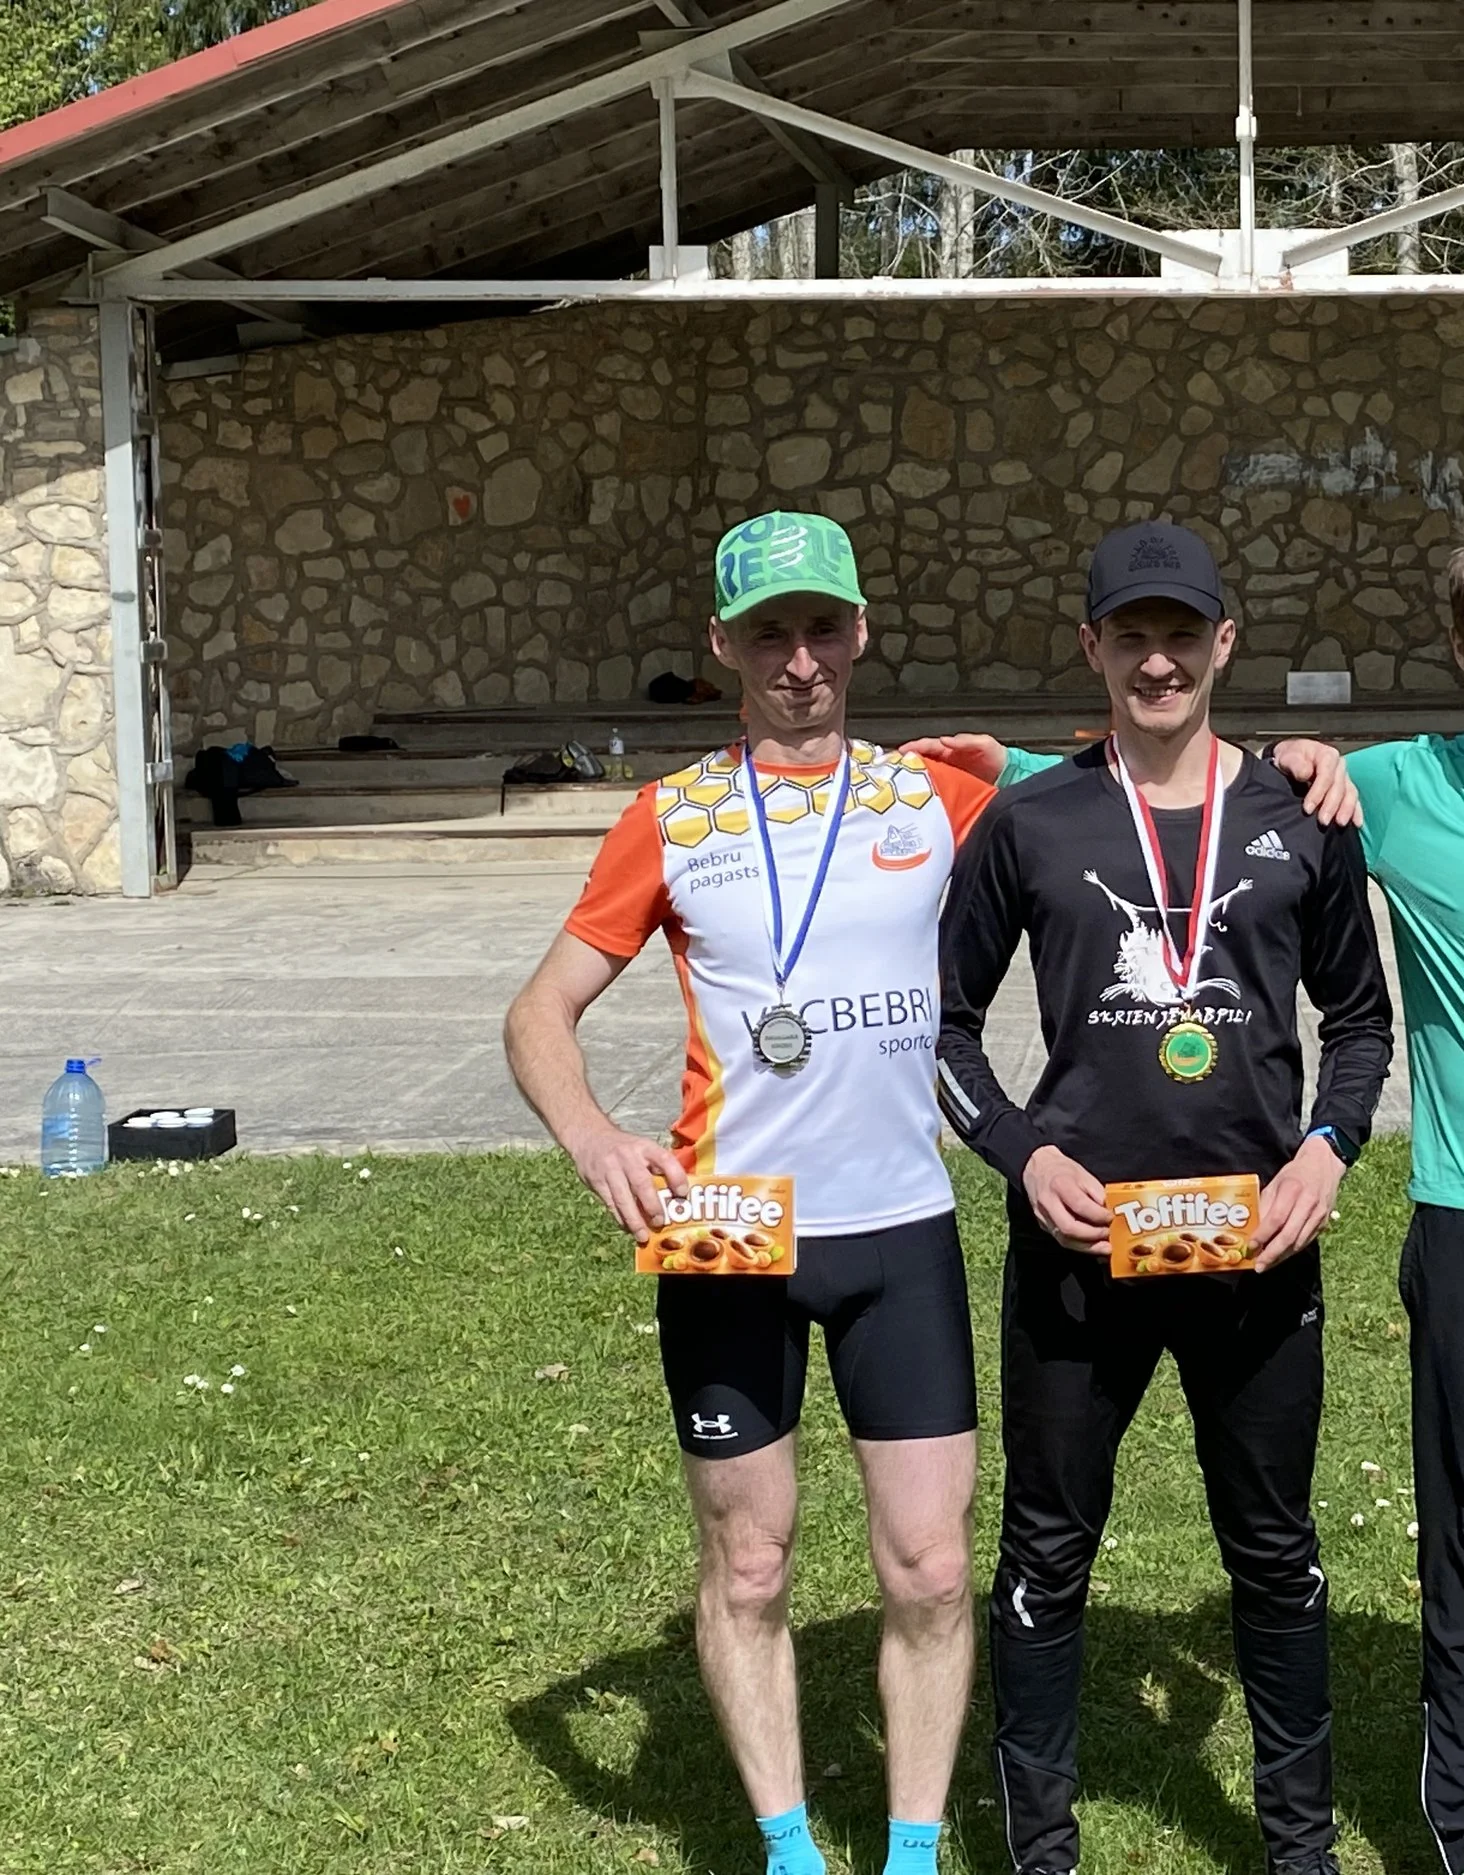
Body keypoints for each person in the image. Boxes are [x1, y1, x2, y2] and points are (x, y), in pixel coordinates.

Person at [944, 521, 1464, 1875]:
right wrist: (1022, 773)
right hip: (1440, 1229)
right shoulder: (1389, 785)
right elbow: (1160, 799)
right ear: (1461, 656)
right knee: (1461, 1553)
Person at [503, 511, 995, 1875]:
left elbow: (1130, 797)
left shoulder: (933, 798)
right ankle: (788, 1848)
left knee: (932, 1567)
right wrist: (596, 1139)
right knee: (751, 1566)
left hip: (898, 1228)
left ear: (861, 631)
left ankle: (909, 1851)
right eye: (769, 632)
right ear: (722, 643)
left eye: (822, 627)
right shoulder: (670, 817)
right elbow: (539, 1013)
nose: (800, 660)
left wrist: (1302, 764)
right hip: (729, 1237)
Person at [932, 519, 1396, 1875]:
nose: (1157, 661)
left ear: (1224, 643)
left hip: (1257, 1249)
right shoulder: (1034, 821)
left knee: (1274, 1548)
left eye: (1181, 634)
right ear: (1092, 647)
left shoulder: (1301, 816)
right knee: (1047, 1551)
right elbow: (942, 1028)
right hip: (1083, 1250)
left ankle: (1299, 1849)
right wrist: (1022, 1153)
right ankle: (1041, 1851)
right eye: (1130, 635)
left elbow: (1361, 1021)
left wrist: (1327, 1148)